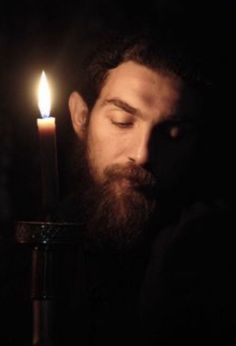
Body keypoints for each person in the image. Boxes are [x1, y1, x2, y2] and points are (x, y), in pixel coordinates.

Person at [1, 31, 235, 346]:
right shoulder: (17, 263)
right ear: (81, 117)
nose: (142, 154)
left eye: (174, 134)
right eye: (123, 121)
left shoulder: (213, 256)